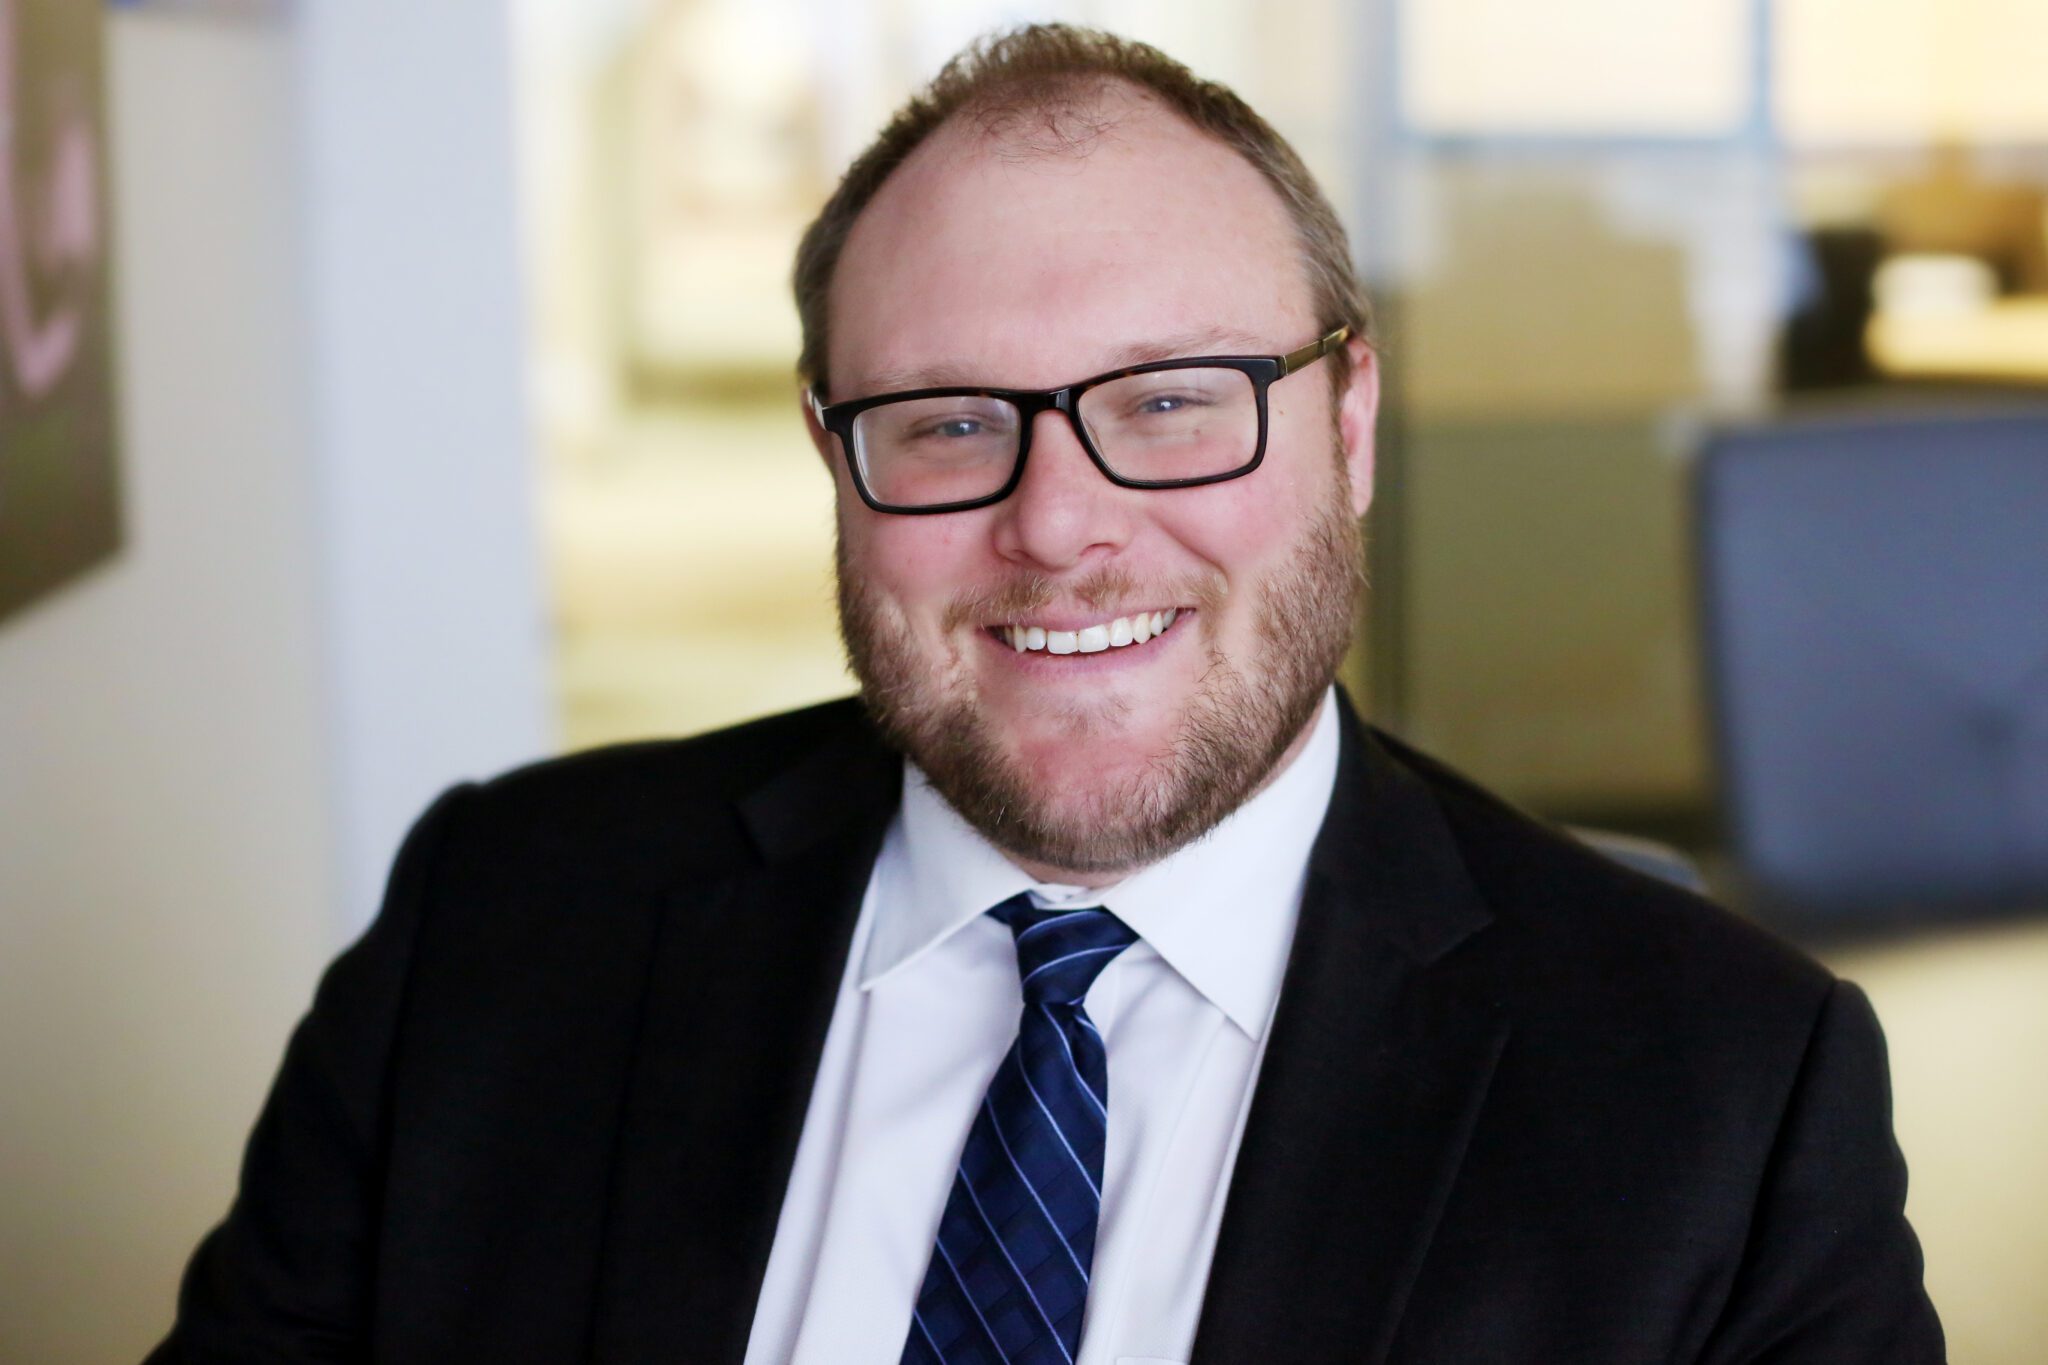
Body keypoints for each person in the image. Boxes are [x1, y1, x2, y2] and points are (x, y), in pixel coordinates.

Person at [150, 24, 1942, 1364]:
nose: (1059, 523)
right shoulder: (494, 924)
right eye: (944, 421)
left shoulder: (1727, 1093)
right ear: (832, 460)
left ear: (1350, 419)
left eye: (1170, 396)